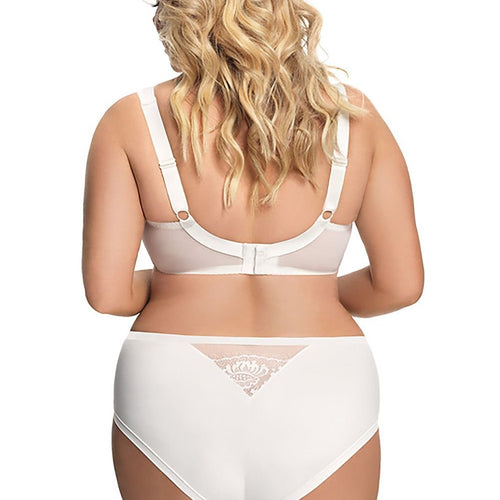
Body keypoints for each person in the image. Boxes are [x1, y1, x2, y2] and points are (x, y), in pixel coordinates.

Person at [82, 1, 424, 498]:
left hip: (171, 381)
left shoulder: (130, 121)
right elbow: (400, 285)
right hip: (325, 380)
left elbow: (108, 295)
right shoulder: (355, 120)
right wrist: (314, 291)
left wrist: (177, 282)